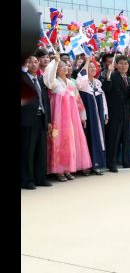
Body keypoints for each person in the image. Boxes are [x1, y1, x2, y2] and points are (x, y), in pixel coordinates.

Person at [44, 53, 93, 181]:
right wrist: (55, 62)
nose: (65, 67)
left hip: (72, 118)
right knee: (59, 142)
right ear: (56, 69)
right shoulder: (54, 83)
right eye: (61, 66)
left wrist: (83, 116)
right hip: (58, 118)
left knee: (71, 142)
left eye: (66, 65)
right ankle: (59, 169)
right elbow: (48, 79)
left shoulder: (71, 83)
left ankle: (67, 168)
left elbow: (78, 101)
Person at [102, 55, 130, 172]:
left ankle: (127, 161)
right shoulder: (112, 76)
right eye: (121, 63)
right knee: (114, 139)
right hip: (115, 114)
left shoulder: (128, 79)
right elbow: (106, 88)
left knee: (126, 139)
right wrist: (109, 73)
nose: (124, 66)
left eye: (126, 64)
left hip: (127, 114)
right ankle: (111, 163)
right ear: (116, 65)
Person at [21, 55, 52, 189]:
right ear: (26, 64)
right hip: (27, 120)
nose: (33, 65)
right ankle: (27, 180)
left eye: (35, 62)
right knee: (28, 151)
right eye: (30, 62)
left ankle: (41, 178)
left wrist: (49, 120)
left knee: (41, 150)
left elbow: (45, 101)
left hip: (41, 119)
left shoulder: (40, 80)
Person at [76, 56, 108, 174]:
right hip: (88, 116)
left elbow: (103, 99)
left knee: (98, 137)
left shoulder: (98, 82)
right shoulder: (83, 83)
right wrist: (87, 61)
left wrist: (105, 114)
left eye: (94, 67)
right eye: (90, 67)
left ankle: (98, 163)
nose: (93, 69)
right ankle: (87, 165)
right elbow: (80, 81)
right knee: (88, 137)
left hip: (98, 115)